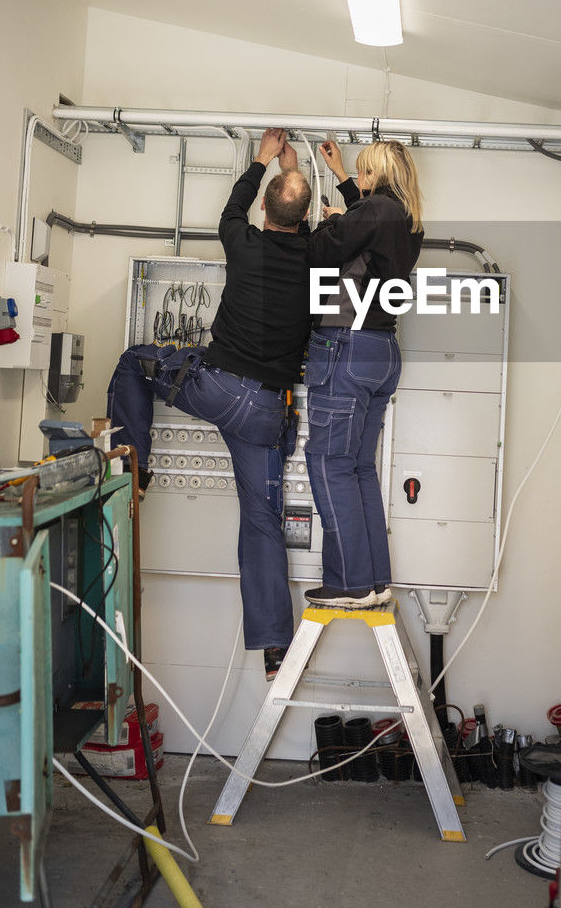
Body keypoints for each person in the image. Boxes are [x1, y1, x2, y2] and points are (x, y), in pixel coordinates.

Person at [107, 128, 312, 680]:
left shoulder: (241, 242)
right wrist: (294, 177)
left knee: (134, 362)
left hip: (215, 388)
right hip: (267, 413)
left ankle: (136, 471)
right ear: (304, 217)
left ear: (265, 210)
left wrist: (263, 161)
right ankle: (274, 649)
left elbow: (233, 209)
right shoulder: (317, 261)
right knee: (263, 521)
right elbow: (298, 228)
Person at [303, 138, 424, 608]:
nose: (362, 180)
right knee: (357, 468)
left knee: (330, 464)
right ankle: (375, 580)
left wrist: (326, 222)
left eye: (364, 172)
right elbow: (365, 228)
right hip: (382, 350)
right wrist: (342, 182)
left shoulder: (372, 212)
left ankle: (350, 584)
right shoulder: (407, 220)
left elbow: (319, 252)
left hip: (347, 346)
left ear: (378, 175)